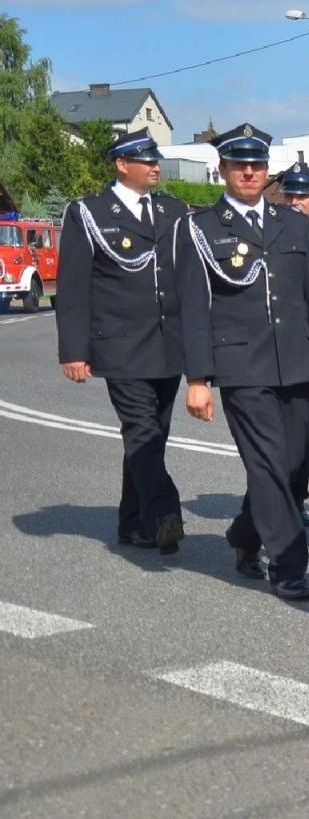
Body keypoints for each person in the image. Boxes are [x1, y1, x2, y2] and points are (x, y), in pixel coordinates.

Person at [177, 124, 309, 602]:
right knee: (270, 463)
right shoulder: (201, 228)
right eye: (238, 164)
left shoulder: (292, 224)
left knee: (293, 468)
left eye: (256, 164)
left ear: (267, 170)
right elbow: (193, 307)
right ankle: (289, 564)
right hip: (242, 368)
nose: (248, 171)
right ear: (223, 170)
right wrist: (197, 378)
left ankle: (244, 536)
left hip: (298, 364)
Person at [55, 128, 186, 554]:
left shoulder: (172, 211)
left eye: (156, 159)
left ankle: (132, 523)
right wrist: (75, 350)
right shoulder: (90, 212)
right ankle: (165, 510)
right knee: (141, 429)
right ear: (120, 164)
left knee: (152, 436)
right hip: (121, 346)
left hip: (168, 345)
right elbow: (73, 287)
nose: (155, 166)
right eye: (145, 160)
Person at [228, 163, 309, 550]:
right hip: (279, 358)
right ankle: (283, 522)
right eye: (290, 195)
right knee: (282, 453)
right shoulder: (270, 234)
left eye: (304, 196)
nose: (296, 201)